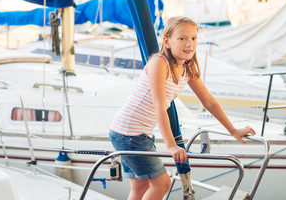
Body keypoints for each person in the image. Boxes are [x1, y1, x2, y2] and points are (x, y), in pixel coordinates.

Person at [109, 16, 256, 200]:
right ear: (167, 41)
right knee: (162, 184)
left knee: (141, 187)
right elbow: (159, 107)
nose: (189, 44)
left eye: (194, 38)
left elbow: (208, 101)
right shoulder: (159, 63)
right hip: (128, 133)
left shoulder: (187, 68)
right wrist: (171, 146)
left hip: (136, 133)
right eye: (182, 38)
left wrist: (233, 130)